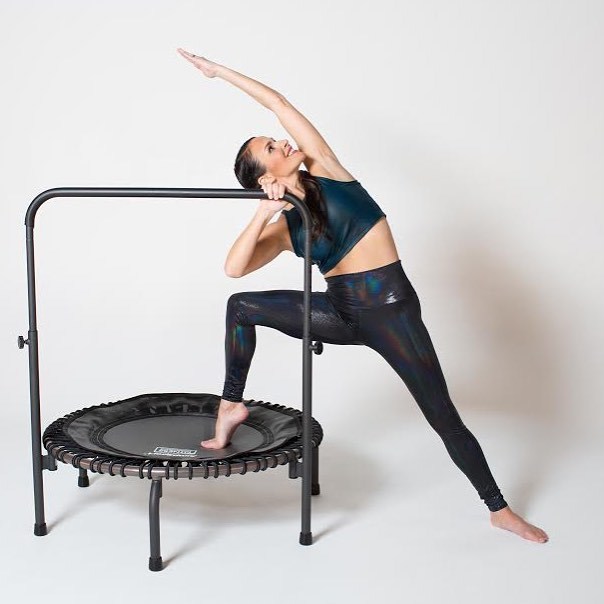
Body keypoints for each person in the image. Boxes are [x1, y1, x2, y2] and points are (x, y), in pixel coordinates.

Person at [177, 48, 549, 544]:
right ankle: (230, 406)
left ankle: (498, 509)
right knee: (240, 307)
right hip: (341, 313)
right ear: (266, 174)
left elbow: (278, 103)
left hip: (394, 315)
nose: (283, 141)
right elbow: (234, 268)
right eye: (271, 146)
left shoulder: (327, 169)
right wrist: (262, 212)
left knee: (442, 415)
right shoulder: (287, 227)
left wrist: (219, 72)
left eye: (275, 138)